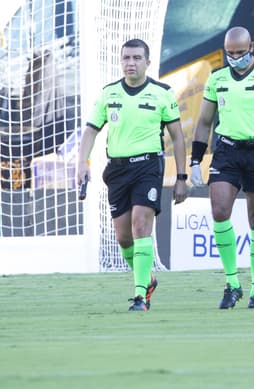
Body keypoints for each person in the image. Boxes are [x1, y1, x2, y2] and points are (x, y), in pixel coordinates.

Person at [76, 39, 188, 311]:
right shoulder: (109, 94)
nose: (131, 63)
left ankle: (141, 295)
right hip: (117, 170)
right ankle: (146, 278)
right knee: (124, 237)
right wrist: (82, 163)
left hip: (148, 167)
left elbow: (178, 137)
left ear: (148, 63)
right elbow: (91, 129)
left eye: (137, 58)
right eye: (126, 58)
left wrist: (182, 177)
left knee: (141, 226)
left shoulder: (162, 93)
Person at [190, 27, 254, 309]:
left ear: (252, 47)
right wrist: (195, 160)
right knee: (219, 211)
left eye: (240, 52)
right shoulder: (217, 78)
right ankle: (232, 283)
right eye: (229, 53)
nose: (234, 58)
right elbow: (203, 122)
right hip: (226, 151)